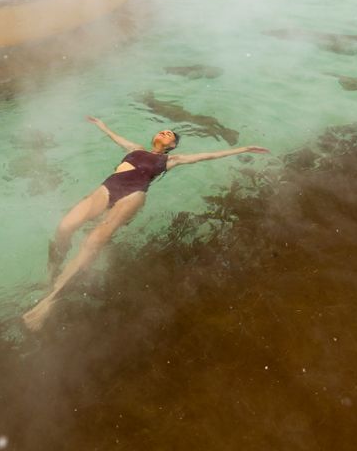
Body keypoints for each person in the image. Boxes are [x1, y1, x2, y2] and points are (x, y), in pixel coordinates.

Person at [22, 116, 269, 331]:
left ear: (171, 145)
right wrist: (101, 125)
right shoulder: (136, 148)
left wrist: (243, 149)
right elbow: (115, 137)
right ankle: (52, 272)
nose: (165, 133)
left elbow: (209, 155)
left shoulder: (170, 160)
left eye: (170, 135)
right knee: (65, 226)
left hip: (133, 195)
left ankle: (51, 300)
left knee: (94, 241)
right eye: (163, 131)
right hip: (108, 187)